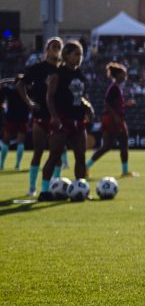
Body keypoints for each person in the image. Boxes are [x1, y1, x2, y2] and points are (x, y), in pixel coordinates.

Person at [39, 40, 93, 200]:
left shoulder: (80, 75)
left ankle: (80, 188)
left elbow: (79, 96)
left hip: (78, 119)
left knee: (80, 157)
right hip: (63, 119)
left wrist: (88, 106)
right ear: (66, 55)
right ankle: (44, 191)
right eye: (76, 54)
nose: (79, 57)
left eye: (81, 54)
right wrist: (54, 116)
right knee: (54, 156)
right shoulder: (58, 74)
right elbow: (49, 96)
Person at [19, 38, 64, 198]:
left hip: (58, 117)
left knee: (57, 153)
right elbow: (20, 85)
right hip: (40, 115)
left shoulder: (63, 70)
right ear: (47, 50)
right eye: (54, 46)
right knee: (38, 151)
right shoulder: (37, 68)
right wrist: (30, 103)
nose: (57, 49)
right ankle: (32, 187)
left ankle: (56, 184)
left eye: (59, 47)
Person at [86, 62, 137, 178]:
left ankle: (86, 166)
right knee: (123, 142)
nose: (125, 76)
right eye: (123, 74)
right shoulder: (114, 88)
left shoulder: (116, 87)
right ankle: (124, 171)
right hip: (113, 119)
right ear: (118, 75)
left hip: (110, 118)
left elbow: (115, 104)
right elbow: (108, 103)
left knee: (107, 146)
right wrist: (116, 117)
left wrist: (125, 104)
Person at [1, 76, 31, 175]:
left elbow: (0, 84)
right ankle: (17, 164)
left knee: (6, 141)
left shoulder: (10, 91)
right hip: (23, 119)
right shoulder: (27, 92)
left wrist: (8, 80)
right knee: (20, 142)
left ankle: (1, 164)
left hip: (11, 119)